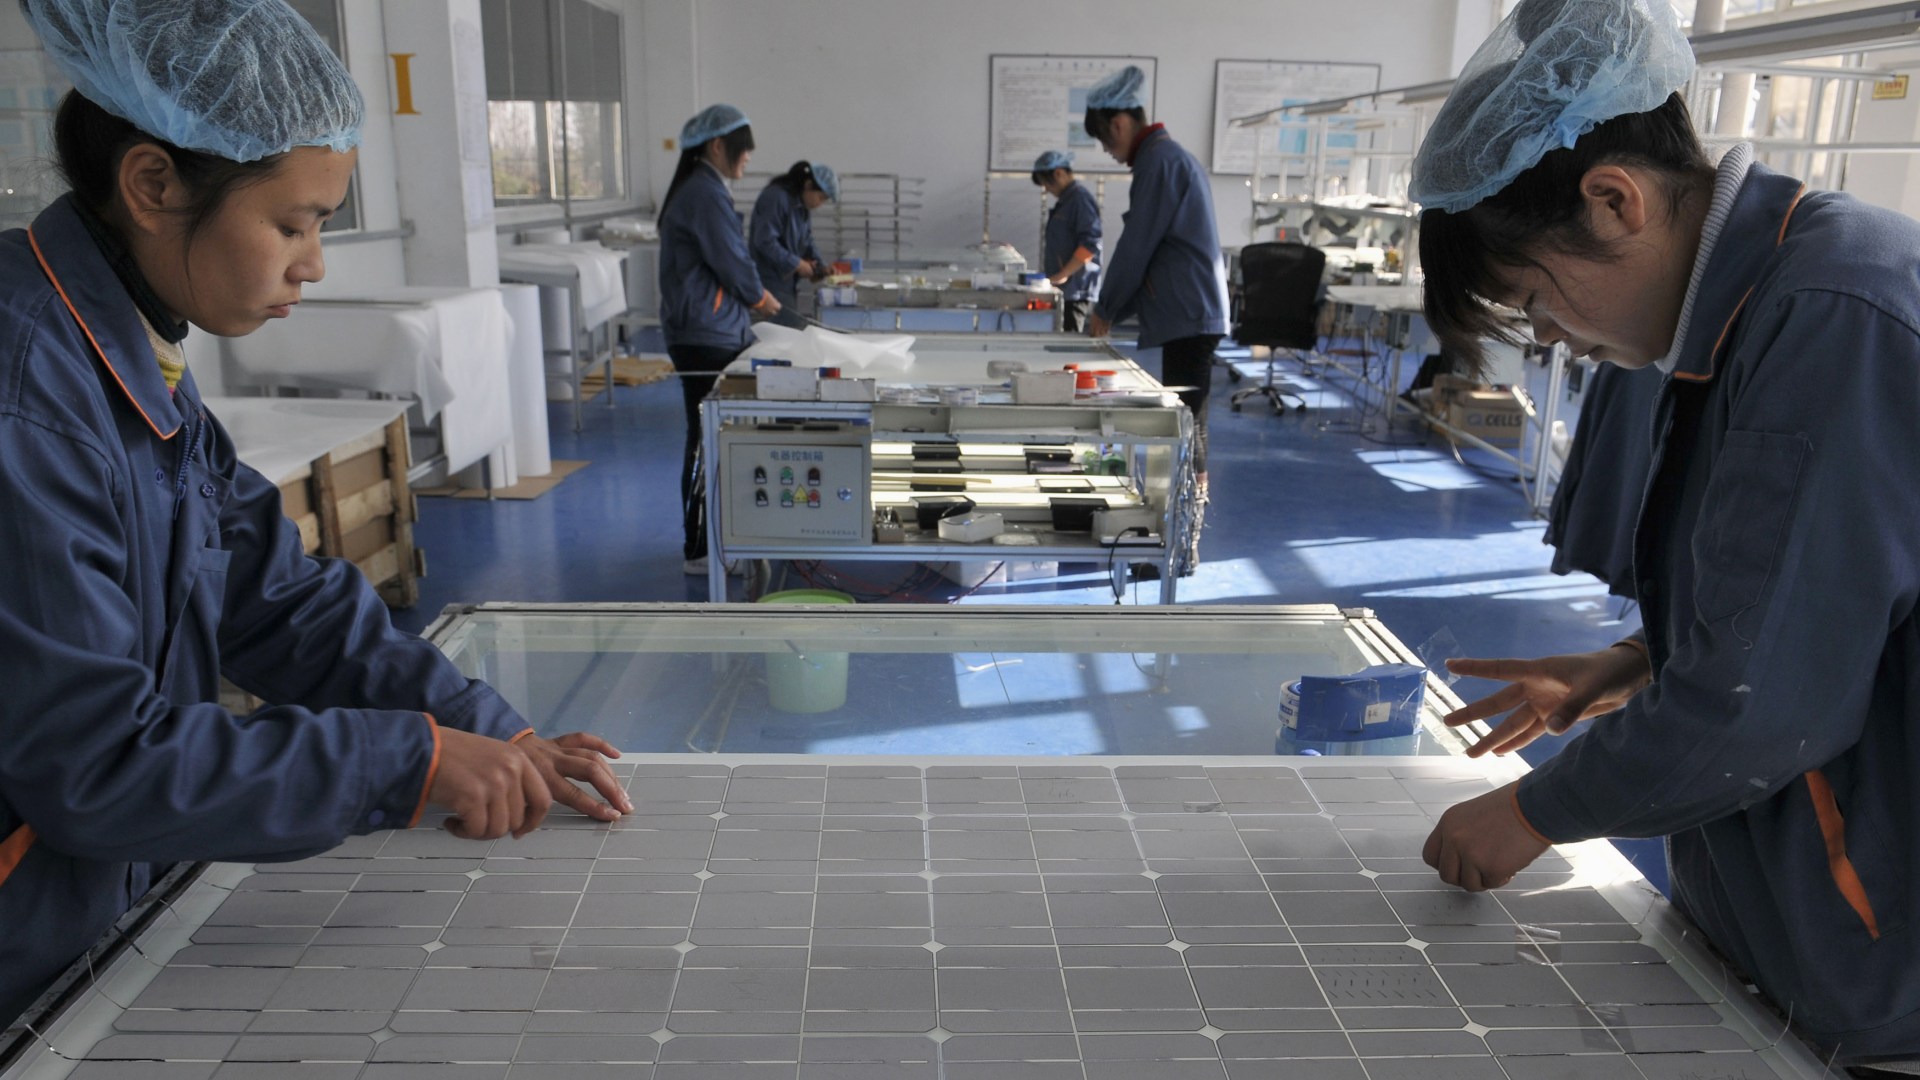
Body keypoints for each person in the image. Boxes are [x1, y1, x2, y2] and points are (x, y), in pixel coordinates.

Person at [0, 0, 631, 1026]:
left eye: (323, 226)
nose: (313, 263)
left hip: (86, 917)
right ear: (153, 185)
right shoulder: (27, 400)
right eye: (291, 225)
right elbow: (97, 763)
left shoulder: (127, 356)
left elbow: (273, 597)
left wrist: (487, 732)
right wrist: (404, 762)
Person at [1410, 0, 1920, 1066]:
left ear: (1614, 200)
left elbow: (1760, 707)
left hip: (1876, 944)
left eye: (1536, 299)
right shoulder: (1768, 297)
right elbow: (1830, 594)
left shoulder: (1831, 314)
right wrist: (1638, 659)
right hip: (1786, 920)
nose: (1553, 339)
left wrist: (1536, 813)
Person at [1080, 66, 1229, 573]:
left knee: (1187, 429)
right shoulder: (1166, 158)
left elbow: (1136, 244)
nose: (1108, 151)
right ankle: (1180, 543)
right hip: (1190, 312)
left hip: (1190, 314)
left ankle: (1181, 545)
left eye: (1105, 140)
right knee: (1189, 425)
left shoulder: (1158, 162)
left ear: (1119, 123)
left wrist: (1105, 310)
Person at [657, 104, 777, 576]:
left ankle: (711, 541)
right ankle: (699, 549)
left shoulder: (699, 190)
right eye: (743, 152)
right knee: (705, 442)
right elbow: (731, 259)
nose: (747, 160)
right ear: (717, 146)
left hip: (710, 330)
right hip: (705, 336)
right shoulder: (704, 194)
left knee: (709, 437)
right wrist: (761, 298)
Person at [751, 160, 838, 330]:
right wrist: (797, 264)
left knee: (789, 332)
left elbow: (807, 241)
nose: (819, 204)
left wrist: (820, 266)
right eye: (820, 197)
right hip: (769, 281)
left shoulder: (801, 207)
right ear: (808, 185)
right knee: (785, 334)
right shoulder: (776, 198)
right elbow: (764, 241)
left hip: (786, 282)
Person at [1030, 149, 1101, 333]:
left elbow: (1090, 243)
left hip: (1075, 288)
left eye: (1047, 183)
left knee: (1070, 341)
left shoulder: (1079, 200)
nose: (1046, 189)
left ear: (1059, 174)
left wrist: (1065, 273)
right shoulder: (1066, 201)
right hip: (1064, 287)